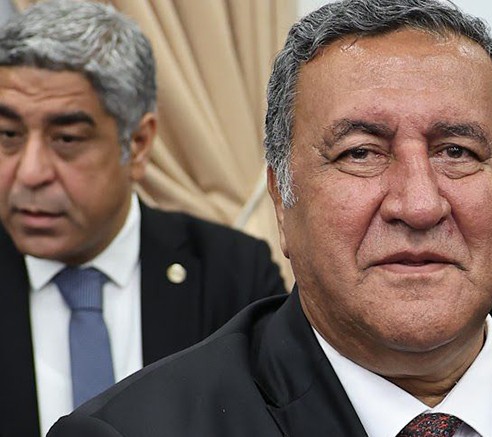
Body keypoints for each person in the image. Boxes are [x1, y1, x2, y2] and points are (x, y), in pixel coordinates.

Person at [48, 0, 492, 436]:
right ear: (282, 199)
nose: (418, 203)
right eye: (360, 153)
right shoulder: (137, 429)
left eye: (458, 151)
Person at [0, 2, 286, 435]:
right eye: (8, 135)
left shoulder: (231, 274)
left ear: (137, 144)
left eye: (66, 139)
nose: (30, 172)